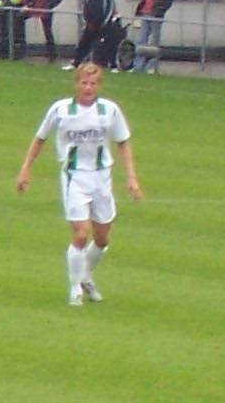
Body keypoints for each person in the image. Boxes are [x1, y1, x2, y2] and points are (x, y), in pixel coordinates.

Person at [16, 60, 143, 307]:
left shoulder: (109, 110)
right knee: (81, 232)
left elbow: (123, 142)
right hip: (75, 176)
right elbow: (40, 138)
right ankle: (75, 289)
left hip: (101, 176)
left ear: (99, 86)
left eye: (93, 83)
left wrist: (131, 178)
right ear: (76, 84)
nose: (88, 88)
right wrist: (25, 170)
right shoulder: (61, 110)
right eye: (84, 83)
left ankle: (85, 275)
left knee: (103, 238)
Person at [132, 0, 173, 72]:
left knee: (154, 42)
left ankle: (152, 67)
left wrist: (159, 11)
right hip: (146, 14)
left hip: (155, 16)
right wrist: (139, 10)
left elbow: (168, 1)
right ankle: (138, 66)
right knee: (141, 40)